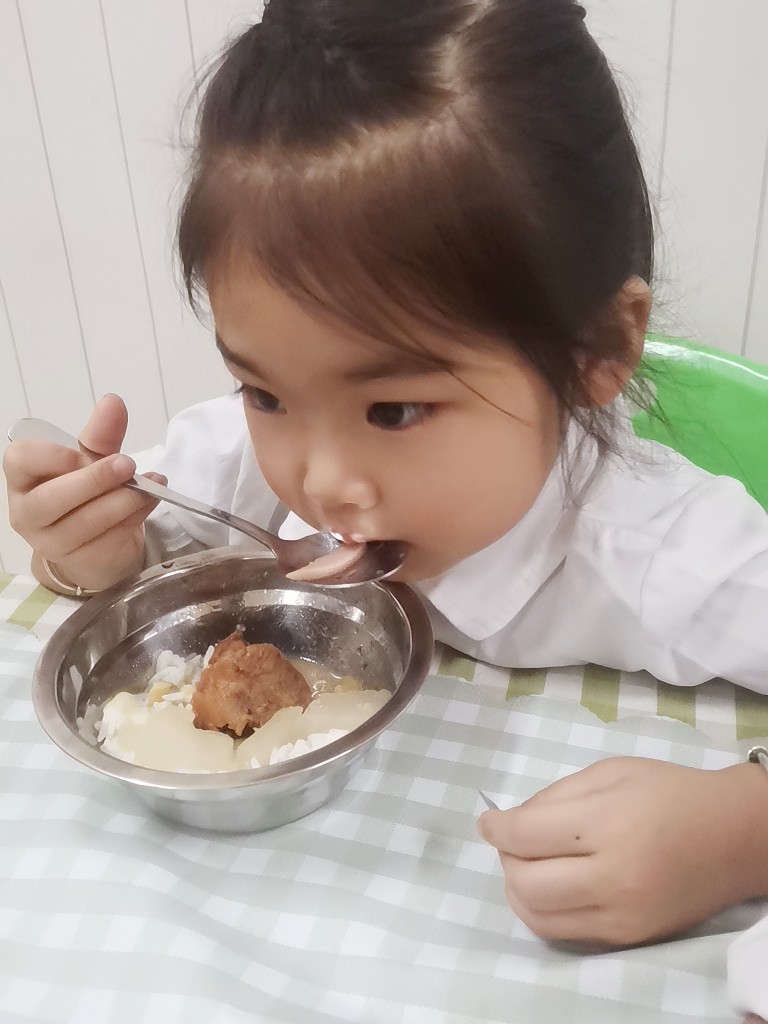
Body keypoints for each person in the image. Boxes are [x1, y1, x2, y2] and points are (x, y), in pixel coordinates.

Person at [3, 0, 768, 1000]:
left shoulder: (668, 552)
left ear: (597, 352)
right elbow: (147, 531)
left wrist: (741, 832)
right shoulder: (241, 457)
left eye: (394, 409)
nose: (317, 478)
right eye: (265, 391)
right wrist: (89, 550)